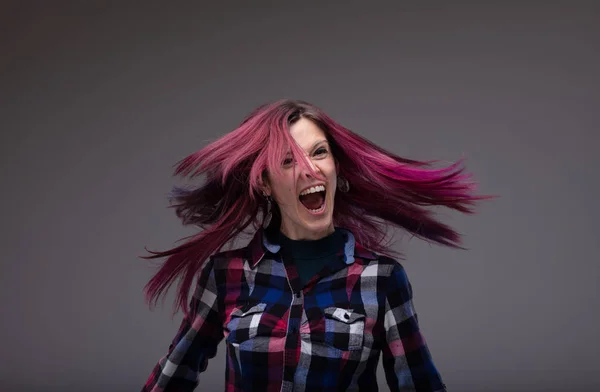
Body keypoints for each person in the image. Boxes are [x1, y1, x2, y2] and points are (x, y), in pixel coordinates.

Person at [140, 99, 490, 391]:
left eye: (318, 152)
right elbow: (171, 379)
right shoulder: (226, 275)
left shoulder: (380, 279)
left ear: (336, 166)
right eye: (287, 161)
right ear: (264, 183)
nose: (309, 170)